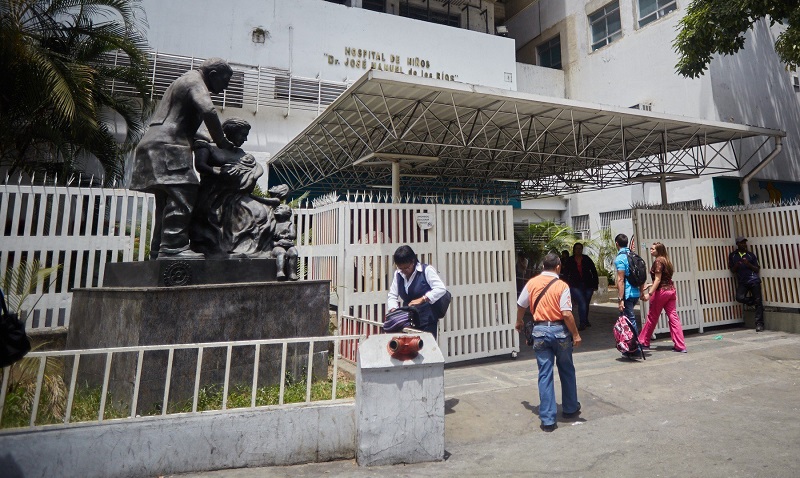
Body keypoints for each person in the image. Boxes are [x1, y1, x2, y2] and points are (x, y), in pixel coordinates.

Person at [130, 57, 235, 260]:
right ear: (213, 75)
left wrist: (207, 140)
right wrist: (221, 142)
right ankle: (173, 247)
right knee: (185, 192)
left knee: (166, 200)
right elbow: (209, 110)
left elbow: (182, 122)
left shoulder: (180, 82)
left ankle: (158, 250)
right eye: (224, 82)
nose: (224, 89)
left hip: (153, 143)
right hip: (169, 146)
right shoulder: (194, 80)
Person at [190, 117, 282, 258]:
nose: (245, 139)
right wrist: (220, 172)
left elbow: (258, 167)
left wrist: (250, 175)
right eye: (243, 134)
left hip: (237, 196)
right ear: (230, 132)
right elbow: (200, 166)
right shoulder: (208, 146)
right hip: (214, 197)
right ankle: (225, 250)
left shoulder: (240, 153)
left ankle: (252, 251)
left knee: (264, 213)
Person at [515, 253, 581, 432]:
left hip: (540, 332)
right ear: (558, 266)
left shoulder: (532, 283)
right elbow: (566, 313)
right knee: (566, 369)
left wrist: (519, 321)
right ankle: (570, 408)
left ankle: (548, 419)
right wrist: (575, 334)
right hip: (560, 332)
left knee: (545, 373)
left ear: (544, 266)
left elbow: (521, 305)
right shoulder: (562, 285)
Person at [387, 245, 448, 339]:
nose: (404, 271)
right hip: (407, 321)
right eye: (400, 268)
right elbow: (392, 295)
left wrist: (423, 299)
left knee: (425, 348)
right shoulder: (398, 274)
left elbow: (441, 288)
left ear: (413, 261)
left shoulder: (426, 270)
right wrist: (394, 310)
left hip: (427, 320)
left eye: (406, 268)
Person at [639, 242, 687, 352]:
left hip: (661, 292)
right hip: (671, 291)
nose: (651, 251)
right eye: (650, 249)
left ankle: (644, 341)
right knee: (673, 317)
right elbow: (664, 278)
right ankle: (680, 345)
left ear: (659, 250)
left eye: (653, 249)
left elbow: (658, 279)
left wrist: (649, 293)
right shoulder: (667, 261)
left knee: (652, 317)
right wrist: (651, 285)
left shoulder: (658, 261)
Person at [728, 236, 764, 332]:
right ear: (737, 244)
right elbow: (732, 270)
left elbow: (757, 269)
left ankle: (759, 324)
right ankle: (753, 301)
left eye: (744, 243)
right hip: (743, 281)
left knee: (758, 302)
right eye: (741, 243)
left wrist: (748, 264)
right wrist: (737, 264)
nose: (743, 244)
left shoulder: (751, 255)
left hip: (753, 280)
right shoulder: (733, 255)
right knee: (739, 297)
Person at [561, 242, 599, 331]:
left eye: (580, 248)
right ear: (574, 250)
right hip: (575, 285)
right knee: (581, 302)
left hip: (588, 284)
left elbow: (593, 271)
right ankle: (582, 322)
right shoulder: (570, 260)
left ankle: (585, 320)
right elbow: (566, 274)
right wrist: (565, 285)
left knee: (586, 303)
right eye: (576, 248)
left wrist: (595, 284)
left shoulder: (586, 259)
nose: (578, 250)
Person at [615, 233, 641, 356]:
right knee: (628, 320)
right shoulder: (634, 255)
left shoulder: (620, 258)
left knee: (629, 321)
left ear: (617, 244)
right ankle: (628, 346)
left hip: (628, 294)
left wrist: (620, 299)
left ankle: (635, 347)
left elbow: (620, 279)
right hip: (635, 292)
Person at [272, 204, 299, 281]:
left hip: (288, 245)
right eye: (277, 208)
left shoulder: (290, 224)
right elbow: (269, 236)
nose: (277, 209)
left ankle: (292, 273)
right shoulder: (273, 224)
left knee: (294, 253)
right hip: (277, 245)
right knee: (281, 252)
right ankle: (280, 272)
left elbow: (293, 235)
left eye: (280, 208)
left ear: (287, 213)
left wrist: (282, 236)